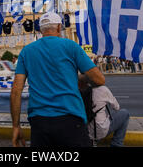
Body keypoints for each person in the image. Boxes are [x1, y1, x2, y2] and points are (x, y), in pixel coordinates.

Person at [10, 12, 105, 147]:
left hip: (39, 121)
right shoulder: (71, 46)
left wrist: (15, 126)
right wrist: (80, 77)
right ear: (59, 28)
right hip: (70, 118)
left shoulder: (26, 51)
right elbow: (99, 79)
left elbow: (16, 91)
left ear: (40, 30)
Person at [78, 79, 130, 147]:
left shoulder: (80, 91)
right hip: (100, 131)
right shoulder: (103, 89)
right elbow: (116, 107)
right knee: (125, 113)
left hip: (86, 133)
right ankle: (117, 143)